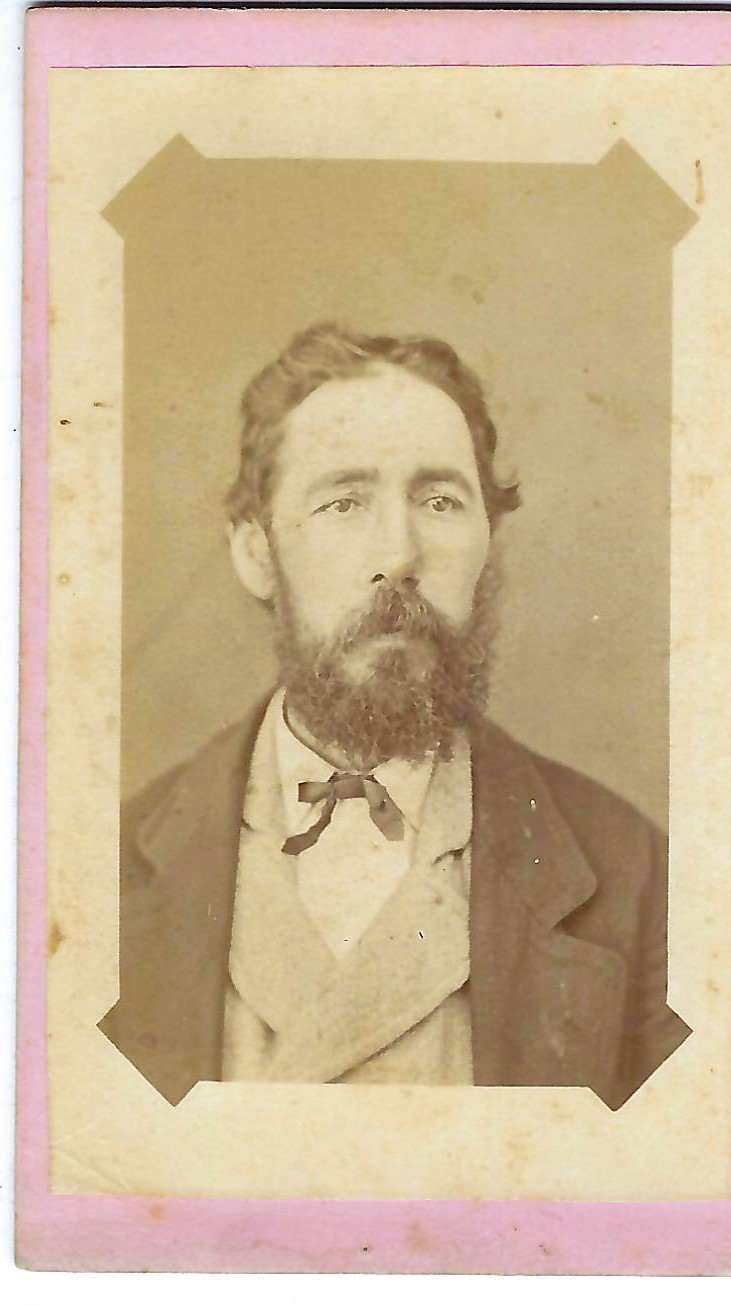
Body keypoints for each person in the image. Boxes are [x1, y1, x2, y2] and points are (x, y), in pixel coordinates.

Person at [99, 323, 690, 1107]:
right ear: (256, 552)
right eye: (344, 501)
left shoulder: (630, 873)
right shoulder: (101, 877)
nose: (398, 554)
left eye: (440, 501)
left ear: (488, 545)